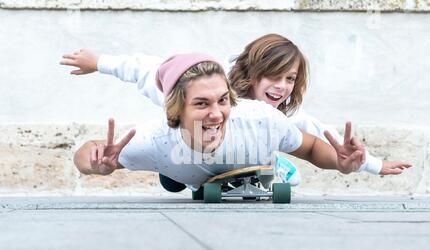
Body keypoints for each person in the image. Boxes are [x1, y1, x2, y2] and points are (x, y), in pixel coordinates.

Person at [73, 53, 366, 191]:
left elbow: (312, 147)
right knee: (172, 178)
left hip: (246, 157)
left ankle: (272, 165)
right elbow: (86, 154)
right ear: (177, 109)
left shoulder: (260, 119)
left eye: (223, 101)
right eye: (201, 104)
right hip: (181, 166)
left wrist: (339, 163)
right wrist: (95, 163)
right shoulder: (155, 139)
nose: (216, 114)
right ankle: (179, 178)